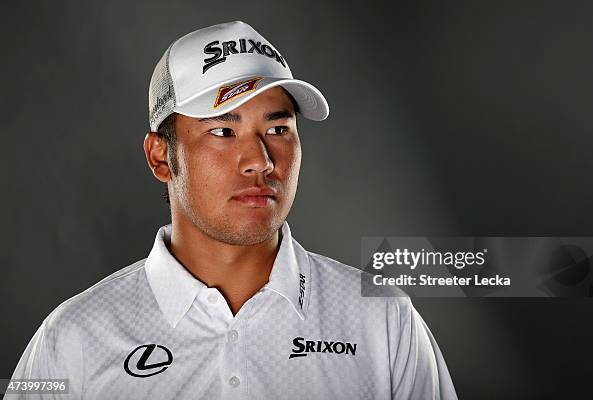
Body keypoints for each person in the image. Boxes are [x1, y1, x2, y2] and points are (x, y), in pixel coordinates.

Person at [5, 21, 457, 400]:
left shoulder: (383, 322)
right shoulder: (76, 337)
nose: (260, 159)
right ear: (161, 157)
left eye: (278, 128)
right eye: (224, 131)